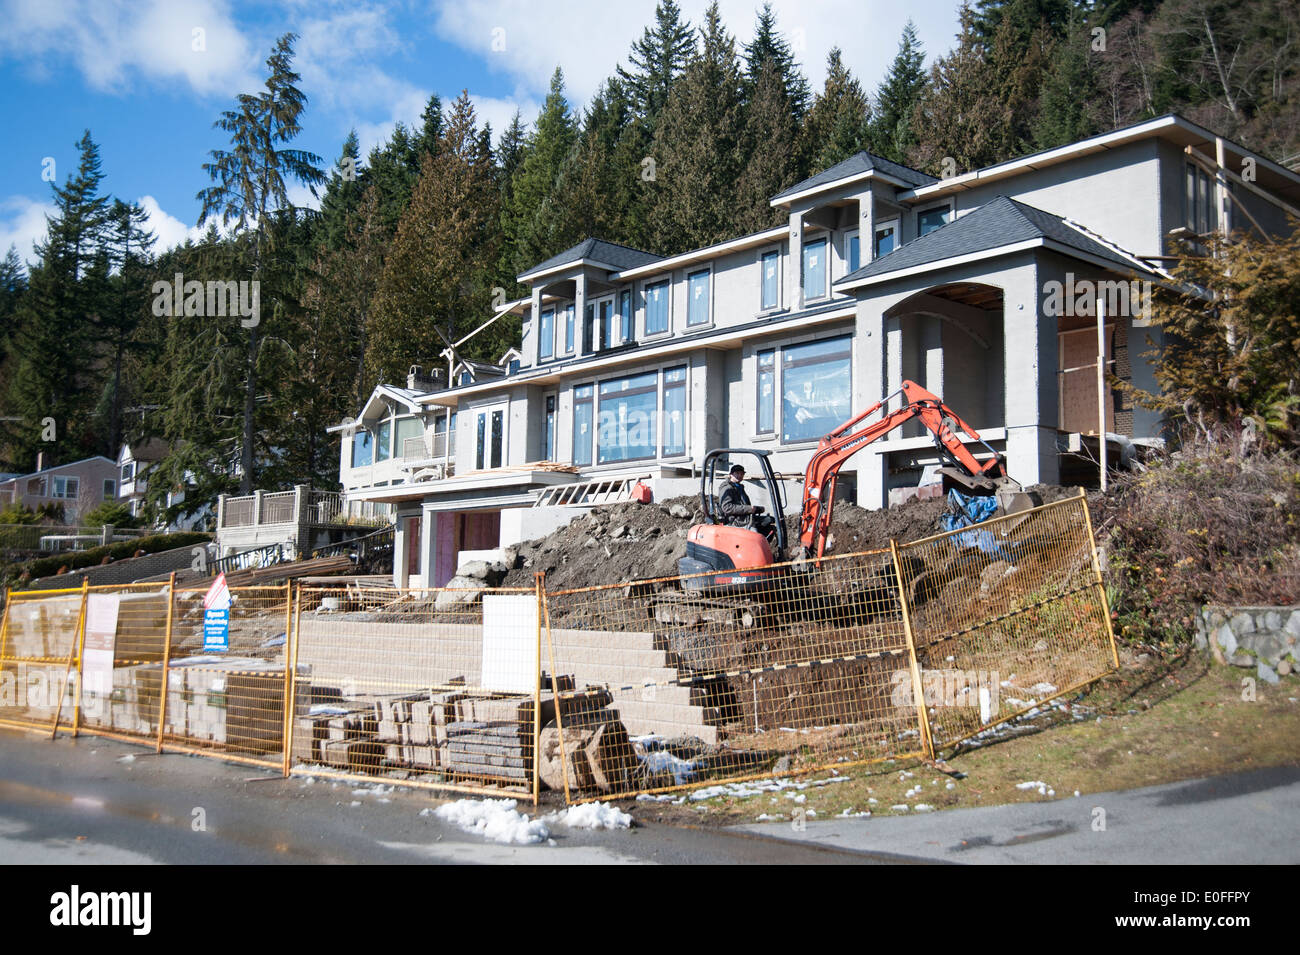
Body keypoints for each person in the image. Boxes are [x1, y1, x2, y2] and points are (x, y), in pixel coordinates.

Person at [718, 464, 776, 542]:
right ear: (731, 474)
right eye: (737, 473)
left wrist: (757, 509)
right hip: (736, 521)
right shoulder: (727, 488)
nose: (740, 475)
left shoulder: (739, 487)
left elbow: (743, 505)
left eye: (742, 474)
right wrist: (749, 509)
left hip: (744, 517)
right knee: (756, 537)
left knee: (770, 521)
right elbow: (727, 507)